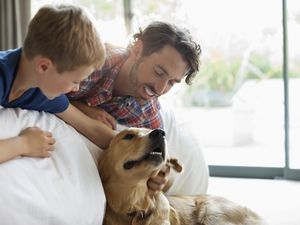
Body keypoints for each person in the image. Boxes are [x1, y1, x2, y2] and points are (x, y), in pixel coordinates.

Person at [67, 21, 204, 193]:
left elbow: (163, 167)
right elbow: (43, 89)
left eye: (171, 82)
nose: (160, 90)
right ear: (137, 50)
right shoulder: (95, 62)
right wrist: (84, 109)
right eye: (159, 72)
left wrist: (161, 179)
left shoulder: (147, 112)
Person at [0, 4, 115, 164]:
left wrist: (151, 156)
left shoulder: (41, 89)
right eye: (75, 81)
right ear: (44, 66)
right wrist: (24, 144)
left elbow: (91, 128)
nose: (77, 88)